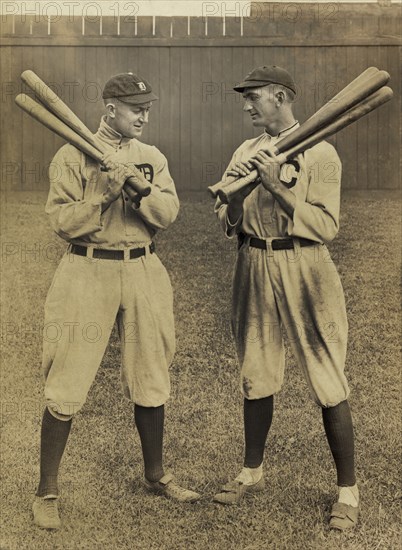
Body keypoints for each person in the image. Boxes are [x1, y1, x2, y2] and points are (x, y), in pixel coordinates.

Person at [32, 72, 200, 530]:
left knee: (151, 370)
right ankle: (47, 490)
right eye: (134, 108)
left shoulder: (151, 157)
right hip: (87, 268)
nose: (143, 115)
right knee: (68, 374)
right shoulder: (71, 152)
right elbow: (62, 222)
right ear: (110, 109)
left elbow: (168, 215)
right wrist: (103, 196)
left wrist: (139, 192)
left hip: (143, 266)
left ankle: (156, 474)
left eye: (147, 107)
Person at [213, 66, 359, 531]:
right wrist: (238, 196)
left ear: (280, 96)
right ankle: (251, 472)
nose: (247, 105)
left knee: (327, 376)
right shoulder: (246, 150)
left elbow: (327, 226)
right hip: (253, 262)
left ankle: (348, 492)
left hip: (306, 266)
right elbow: (227, 218)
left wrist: (274, 185)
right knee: (256, 371)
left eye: (253, 97)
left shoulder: (322, 151)